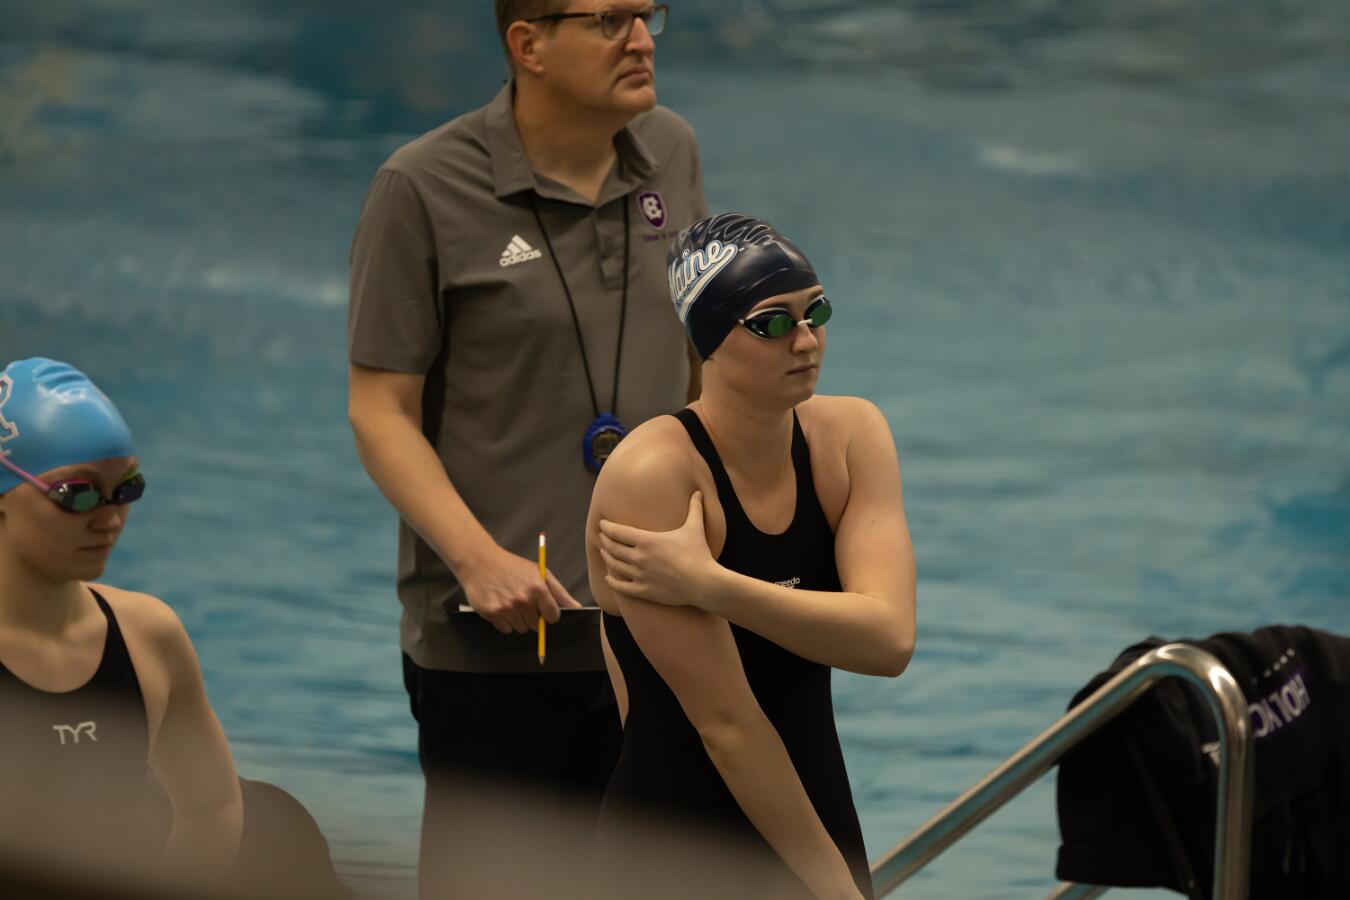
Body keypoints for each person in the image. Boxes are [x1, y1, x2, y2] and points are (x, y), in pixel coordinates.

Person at [345, 2, 707, 897]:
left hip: (655, 628)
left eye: (648, 14)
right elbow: (379, 411)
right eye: (611, 20)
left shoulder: (671, 151)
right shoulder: (422, 186)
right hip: (497, 643)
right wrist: (477, 562)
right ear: (528, 44)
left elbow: (699, 365)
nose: (642, 39)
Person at [585, 214, 917, 900]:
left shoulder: (850, 437)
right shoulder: (654, 474)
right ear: (709, 339)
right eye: (773, 323)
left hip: (815, 813)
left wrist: (713, 586)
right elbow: (726, 726)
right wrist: (838, 891)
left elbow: (887, 643)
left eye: (816, 312)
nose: (807, 340)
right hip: (675, 848)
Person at [0, 358, 243, 889]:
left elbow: (211, 808)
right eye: (76, 494)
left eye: (127, 489)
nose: (109, 519)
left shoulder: (147, 637)